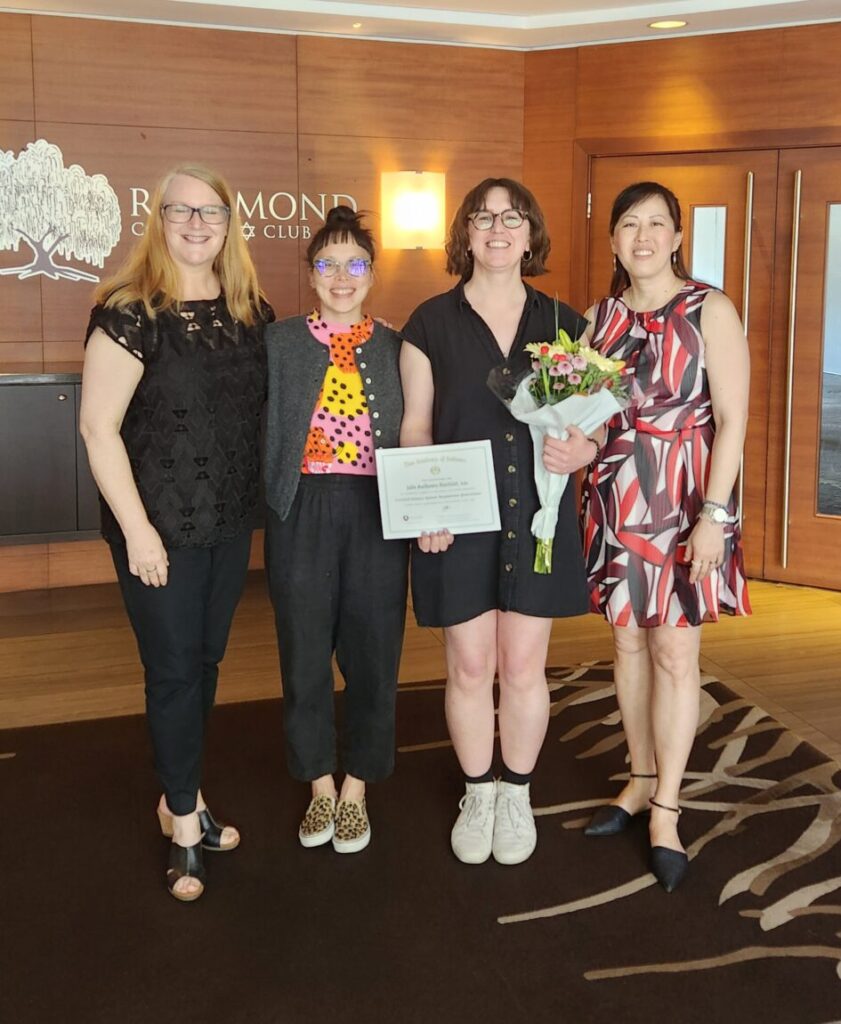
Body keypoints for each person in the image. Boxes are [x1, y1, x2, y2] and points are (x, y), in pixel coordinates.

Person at [546, 180, 751, 892]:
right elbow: (596, 416)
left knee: (672, 650)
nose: (641, 237)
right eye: (628, 225)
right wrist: (577, 447)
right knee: (626, 642)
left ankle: (666, 806)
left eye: (655, 224)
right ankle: (636, 782)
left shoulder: (709, 309)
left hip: (682, 499)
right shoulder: (597, 318)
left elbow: (730, 419)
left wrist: (713, 517)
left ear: (675, 236)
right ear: (610, 240)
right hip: (611, 497)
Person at [80, 163, 274, 901]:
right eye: (181, 211)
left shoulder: (248, 309)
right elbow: (98, 430)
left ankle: (178, 793)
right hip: (156, 527)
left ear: (230, 224)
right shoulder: (129, 310)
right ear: (157, 220)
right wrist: (138, 533)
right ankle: (186, 828)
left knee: (206, 663)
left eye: (212, 213)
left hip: (226, 524)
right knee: (171, 672)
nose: (197, 224)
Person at [400, 178, 595, 867]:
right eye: (483, 218)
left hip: (538, 518)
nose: (497, 229)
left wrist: (584, 449)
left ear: (530, 233)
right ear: (465, 235)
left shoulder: (565, 324)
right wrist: (424, 508)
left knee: (521, 667)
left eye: (511, 218)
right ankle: (476, 790)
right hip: (457, 521)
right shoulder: (428, 323)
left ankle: (515, 791)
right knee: (469, 665)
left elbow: (585, 429)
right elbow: (415, 427)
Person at [263, 206, 408, 854]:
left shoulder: (399, 346)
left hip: (379, 509)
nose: (341, 276)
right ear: (312, 272)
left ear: (371, 273)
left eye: (354, 264)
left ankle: (357, 788)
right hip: (301, 506)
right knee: (303, 651)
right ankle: (319, 785)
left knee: (374, 652)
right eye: (328, 264)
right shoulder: (280, 342)